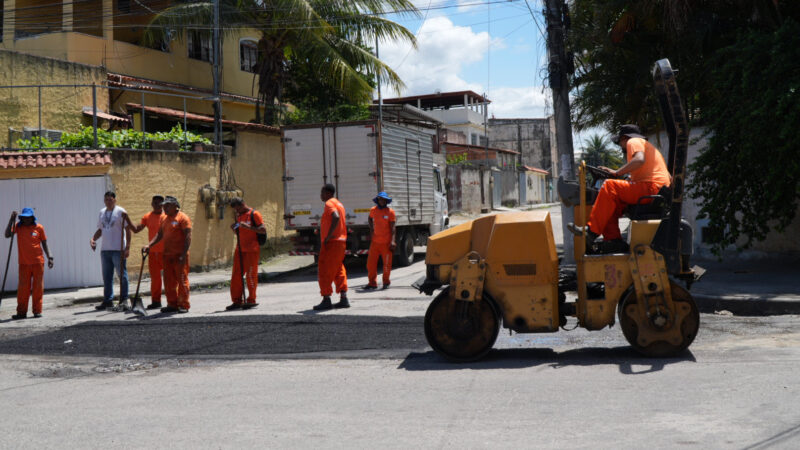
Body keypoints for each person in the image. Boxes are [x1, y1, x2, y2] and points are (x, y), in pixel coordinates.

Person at [568, 124, 671, 253]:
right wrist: (625, 178)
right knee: (611, 202)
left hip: (651, 188)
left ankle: (591, 232)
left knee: (609, 186)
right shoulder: (651, 149)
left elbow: (639, 160)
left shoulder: (633, 141)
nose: (621, 146)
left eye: (620, 142)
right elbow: (661, 176)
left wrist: (617, 173)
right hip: (654, 189)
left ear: (624, 138)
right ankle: (614, 241)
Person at [144, 196, 192, 313]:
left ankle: (183, 305)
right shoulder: (164, 219)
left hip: (179, 255)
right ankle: (172, 304)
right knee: (169, 281)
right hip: (167, 255)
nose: (164, 208)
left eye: (167, 205)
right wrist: (149, 245)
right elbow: (159, 235)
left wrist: (183, 254)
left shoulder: (183, 218)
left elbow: (188, 237)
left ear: (175, 206)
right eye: (164, 206)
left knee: (182, 281)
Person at [4, 208, 54, 319]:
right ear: (21, 218)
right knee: (23, 289)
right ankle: (21, 312)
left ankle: (37, 311)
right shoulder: (18, 227)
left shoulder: (39, 228)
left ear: (32, 217)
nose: (26, 219)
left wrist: (50, 257)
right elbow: (7, 235)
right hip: (24, 264)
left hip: (38, 262)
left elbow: (44, 243)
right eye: (24, 217)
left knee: (37, 288)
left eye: (28, 217)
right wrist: (11, 219)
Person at [90, 191, 131, 310]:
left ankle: (124, 299)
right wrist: (93, 239)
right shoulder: (102, 212)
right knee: (107, 276)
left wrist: (127, 247)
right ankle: (108, 300)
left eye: (110, 199)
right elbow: (101, 229)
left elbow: (128, 230)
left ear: (115, 200)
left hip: (118, 249)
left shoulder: (121, 212)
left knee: (122, 275)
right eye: (106, 199)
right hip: (105, 250)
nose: (108, 201)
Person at [226, 197, 266, 310]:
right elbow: (239, 233)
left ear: (243, 204)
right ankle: (237, 301)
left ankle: (251, 300)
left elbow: (263, 230)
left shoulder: (254, 214)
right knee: (236, 276)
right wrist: (234, 228)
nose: (236, 211)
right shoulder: (239, 216)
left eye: (237, 208)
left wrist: (248, 227)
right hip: (240, 249)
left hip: (252, 250)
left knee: (250, 275)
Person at [313, 184, 349, 311]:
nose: (321, 195)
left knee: (324, 269)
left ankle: (326, 299)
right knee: (338, 269)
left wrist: (328, 237)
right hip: (340, 242)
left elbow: (335, 218)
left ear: (328, 193)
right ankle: (344, 298)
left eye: (322, 192)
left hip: (332, 243)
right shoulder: (340, 204)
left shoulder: (329, 204)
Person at [130, 195, 165, 310]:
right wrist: (127, 220)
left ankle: (174, 301)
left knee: (171, 278)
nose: (157, 205)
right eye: (155, 203)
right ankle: (156, 301)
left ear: (163, 204)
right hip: (152, 252)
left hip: (166, 252)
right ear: (151, 204)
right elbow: (136, 229)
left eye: (159, 203)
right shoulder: (147, 217)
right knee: (155, 279)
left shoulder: (166, 217)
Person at [365, 192, 396, 290]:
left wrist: (393, 241)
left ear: (386, 201)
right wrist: (371, 229)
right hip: (374, 243)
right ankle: (372, 283)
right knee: (370, 264)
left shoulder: (390, 212)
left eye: (383, 199)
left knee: (386, 265)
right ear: (377, 200)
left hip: (386, 243)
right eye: (380, 199)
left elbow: (393, 228)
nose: (382, 201)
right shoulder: (373, 210)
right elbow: (369, 219)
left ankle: (386, 282)